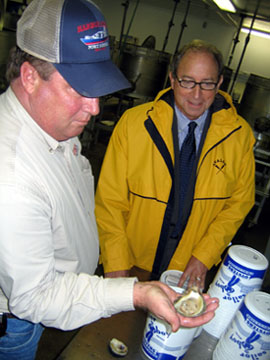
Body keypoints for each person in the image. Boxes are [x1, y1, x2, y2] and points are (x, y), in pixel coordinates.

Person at [0, 2, 219, 359]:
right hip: (19, 323)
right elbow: (36, 297)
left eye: (96, 89)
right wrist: (134, 293)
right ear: (29, 77)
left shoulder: (49, 121)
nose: (95, 108)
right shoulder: (10, 178)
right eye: (79, 89)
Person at [95, 39, 255, 290]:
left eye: (207, 84)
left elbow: (238, 205)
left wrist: (204, 256)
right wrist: (116, 263)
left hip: (190, 270)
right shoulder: (134, 124)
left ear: (220, 84)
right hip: (134, 262)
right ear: (172, 79)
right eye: (187, 81)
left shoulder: (239, 136)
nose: (196, 94)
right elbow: (110, 200)